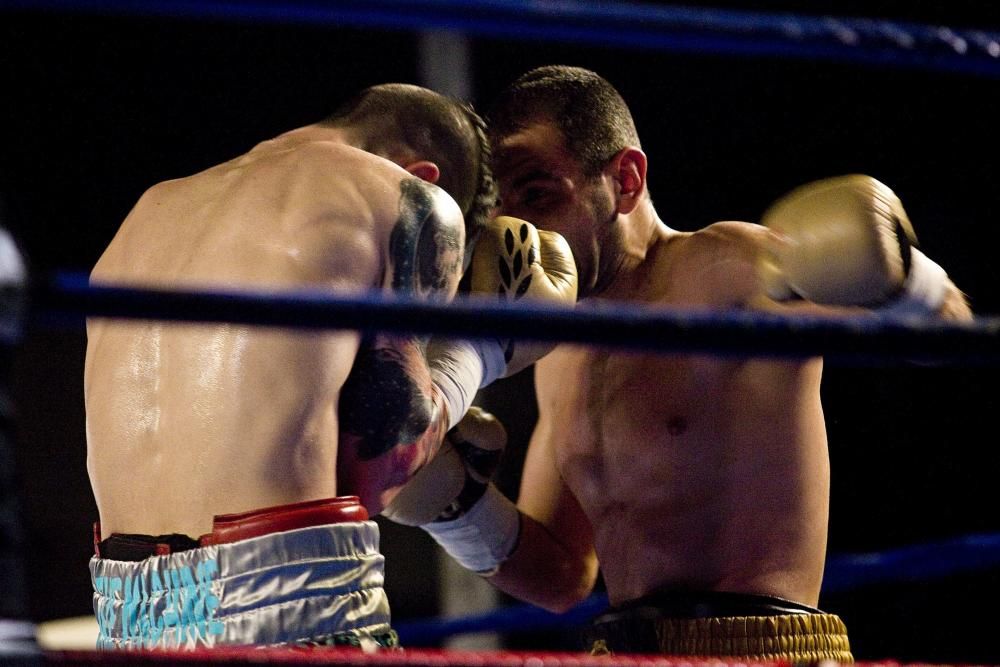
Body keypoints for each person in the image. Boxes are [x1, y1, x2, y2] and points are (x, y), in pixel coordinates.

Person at [384, 66, 973, 663]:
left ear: (627, 180)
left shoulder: (726, 272)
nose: (521, 232)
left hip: (759, 649)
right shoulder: (555, 351)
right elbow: (561, 579)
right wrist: (455, 507)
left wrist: (904, 279)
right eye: (501, 212)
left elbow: (948, 332)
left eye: (538, 195)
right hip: (618, 650)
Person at [84, 82, 576, 651]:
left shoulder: (149, 209)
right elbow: (386, 462)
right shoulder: (407, 197)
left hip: (126, 612)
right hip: (284, 591)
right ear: (426, 175)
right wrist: (483, 349)